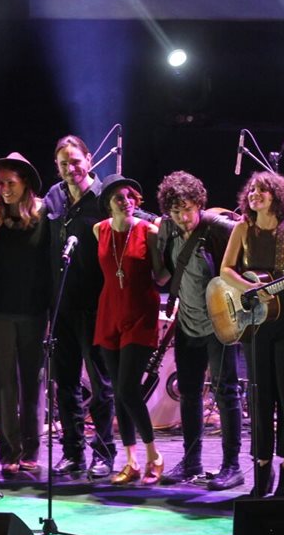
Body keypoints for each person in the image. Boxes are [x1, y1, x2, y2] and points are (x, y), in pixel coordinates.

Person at [155, 170, 245, 491]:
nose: (182, 216)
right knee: (189, 393)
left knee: (226, 393)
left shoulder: (218, 228)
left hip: (219, 323)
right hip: (188, 322)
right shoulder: (168, 228)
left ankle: (231, 466)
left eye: (188, 208)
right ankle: (192, 462)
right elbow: (163, 273)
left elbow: (245, 246)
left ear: (199, 204)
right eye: (176, 210)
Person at [220, 171, 284, 497]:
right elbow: (226, 269)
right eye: (252, 190)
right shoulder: (243, 228)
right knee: (259, 397)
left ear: (277, 196)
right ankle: (261, 467)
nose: (255, 194)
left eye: (263, 190)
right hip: (255, 324)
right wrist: (250, 287)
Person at [43, 135, 116, 480]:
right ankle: (72, 452)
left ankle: (104, 454)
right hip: (61, 306)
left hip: (95, 306)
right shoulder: (54, 197)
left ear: (89, 159)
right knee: (65, 383)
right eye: (63, 164)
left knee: (101, 385)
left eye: (75, 161)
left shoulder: (104, 198)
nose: (70, 169)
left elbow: (137, 218)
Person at [93, 174, 166, 485]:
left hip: (140, 314)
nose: (126, 202)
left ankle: (154, 454)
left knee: (127, 389)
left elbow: (161, 276)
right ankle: (131, 460)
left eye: (130, 197)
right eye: (119, 198)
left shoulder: (147, 231)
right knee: (119, 394)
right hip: (109, 312)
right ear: (109, 204)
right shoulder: (100, 230)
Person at [0, 152, 50, 478]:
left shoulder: (44, 217)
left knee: (32, 384)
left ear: (26, 185)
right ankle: (9, 452)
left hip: (33, 312)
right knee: (4, 385)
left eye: (11, 182)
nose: (5, 188)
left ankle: (31, 450)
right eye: (0, 183)